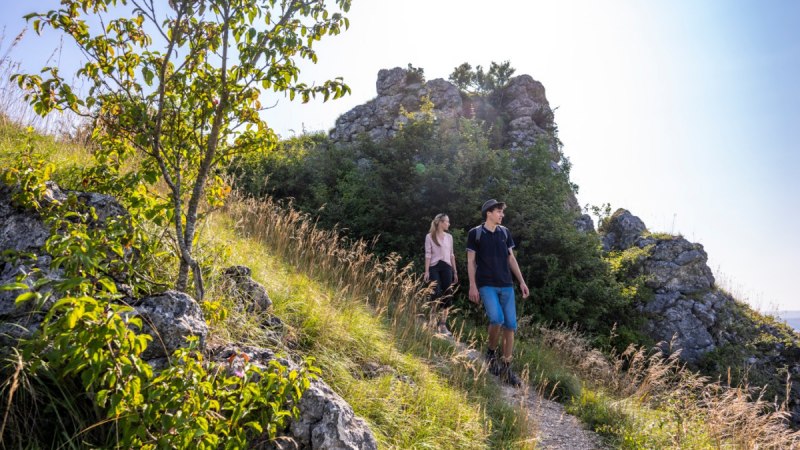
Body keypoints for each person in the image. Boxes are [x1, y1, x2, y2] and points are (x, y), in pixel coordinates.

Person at [466, 199, 529, 386]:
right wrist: (472, 285)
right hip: (486, 284)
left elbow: (511, 259)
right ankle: (491, 353)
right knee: (496, 319)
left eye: (502, 212)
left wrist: (522, 281)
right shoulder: (475, 234)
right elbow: (470, 261)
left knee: (511, 326)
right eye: (499, 212)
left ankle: (507, 368)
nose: (502, 215)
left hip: (507, 285)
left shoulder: (505, 233)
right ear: (489, 213)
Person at [424, 213, 458, 335]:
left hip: (447, 267)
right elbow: (428, 254)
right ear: (440, 222)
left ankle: (443, 325)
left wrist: (455, 271)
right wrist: (427, 271)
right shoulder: (429, 236)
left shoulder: (449, 237)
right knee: (436, 292)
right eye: (447, 221)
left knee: (447, 294)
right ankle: (432, 320)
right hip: (434, 267)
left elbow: (451, 255)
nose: (449, 224)